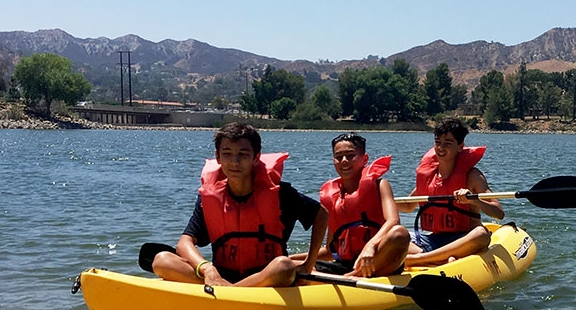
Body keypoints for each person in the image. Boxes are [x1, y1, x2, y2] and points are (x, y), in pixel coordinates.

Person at [150, 122, 327, 287]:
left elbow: (321, 214)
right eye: (227, 154)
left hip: (268, 277)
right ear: (217, 157)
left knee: (284, 266)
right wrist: (207, 269)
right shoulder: (209, 197)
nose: (234, 162)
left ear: (256, 158)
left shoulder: (282, 194)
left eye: (243, 154)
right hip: (221, 277)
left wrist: (308, 264)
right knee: (162, 260)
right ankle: (227, 289)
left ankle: (229, 293)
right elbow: (184, 242)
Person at [298, 132, 411, 278]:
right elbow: (330, 251)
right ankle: (348, 277)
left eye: (350, 155)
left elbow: (394, 221)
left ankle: (353, 277)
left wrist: (370, 246)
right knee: (290, 264)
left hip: (379, 260)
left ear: (364, 159)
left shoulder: (380, 185)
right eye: (338, 157)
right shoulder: (331, 197)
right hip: (346, 266)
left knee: (400, 234)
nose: (344, 161)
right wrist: (293, 258)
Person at [399, 118, 504, 268]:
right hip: (433, 240)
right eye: (438, 142)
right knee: (395, 234)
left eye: (448, 143)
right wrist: (383, 199)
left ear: (460, 146)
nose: (441, 148)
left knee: (481, 234)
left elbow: (499, 213)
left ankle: (417, 259)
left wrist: (473, 200)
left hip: (464, 238)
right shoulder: (429, 177)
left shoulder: (472, 176)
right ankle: (440, 259)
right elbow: (408, 207)